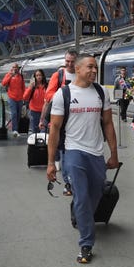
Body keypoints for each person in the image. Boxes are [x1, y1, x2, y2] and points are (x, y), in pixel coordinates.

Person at [46, 54, 119, 263]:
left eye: (95, 67)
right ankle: (86, 244)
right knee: (83, 196)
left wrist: (113, 153)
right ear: (77, 69)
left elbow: (108, 124)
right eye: (90, 67)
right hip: (73, 151)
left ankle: (79, 211)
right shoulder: (63, 94)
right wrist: (51, 162)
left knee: (95, 195)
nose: (94, 71)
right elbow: (55, 129)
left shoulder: (100, 92)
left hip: (96, 153)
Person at [40, 50, 78, 196]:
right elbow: (48, 94)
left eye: (72, 61)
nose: (69, 64)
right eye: (67, 61)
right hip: (62, 119)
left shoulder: (81, 74)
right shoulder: (59, 75)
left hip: (77, 119)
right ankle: (68, 183)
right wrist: (63, 93)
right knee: (64, 152)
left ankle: (76, 180)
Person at [1, 62, 26, 137]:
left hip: (20, 98)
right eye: (13, 67)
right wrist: (10, 75)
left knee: (18, 114)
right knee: (14, 113)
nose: (15, 69)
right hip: (12, 98)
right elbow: (3, 83)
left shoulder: (20, 76)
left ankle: (16, 129)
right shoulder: (8, 75)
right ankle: (14, 130)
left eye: (16, 67)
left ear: (18, 69)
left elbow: (23, 87)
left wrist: (24, 97)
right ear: (11, 68)